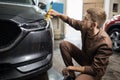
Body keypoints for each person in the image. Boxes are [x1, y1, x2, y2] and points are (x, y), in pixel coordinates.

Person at [48, 7, 113, 80]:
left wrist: (71, 68)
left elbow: (95, 69)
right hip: (85, 59)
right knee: (64, 44)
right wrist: (58, 14)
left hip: (95, 70)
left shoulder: (105, 43)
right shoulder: (85, 27)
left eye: (86, 19)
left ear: (93, 25)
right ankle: (71, 76)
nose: (82, 20)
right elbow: (71, 21)